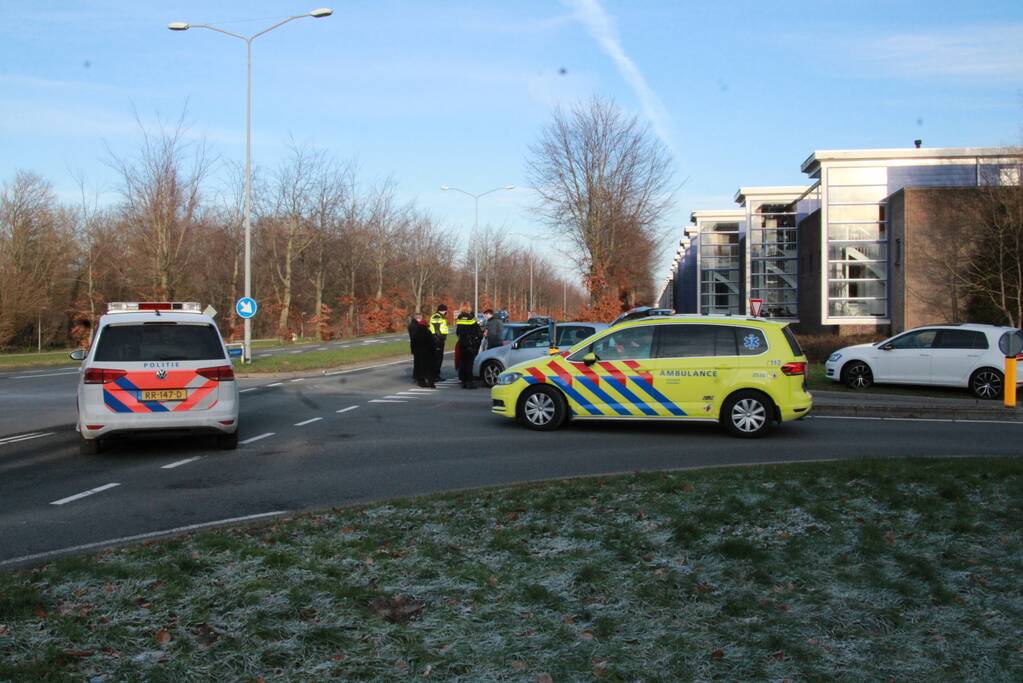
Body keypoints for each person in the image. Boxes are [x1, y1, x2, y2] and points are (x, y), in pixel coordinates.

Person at [455, 304, 483, 389]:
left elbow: (457, 332)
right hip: (470, 344)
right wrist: (478, 338)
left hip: (462, 343)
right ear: (468, 309)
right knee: (469, 364)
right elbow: (478, 331)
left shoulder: (459, 318)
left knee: (463, 363)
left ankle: (463, 382)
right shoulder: (471, 318)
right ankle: (469, 382)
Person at [410, 315, 436, 388]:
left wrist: (413, 351)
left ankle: (421, 382)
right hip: (427, 353)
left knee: (419, 367)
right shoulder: (428, 333)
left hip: (418, 353)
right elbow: (432, 343)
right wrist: (434, 351)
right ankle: (431, 382)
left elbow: (412, 343)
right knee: (428, 368)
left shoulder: (416, 333)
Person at [429, 304, 449, 381]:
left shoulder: (439, 316)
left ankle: (436, 375)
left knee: (438, 358)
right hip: (437, 341)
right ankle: (435, 376)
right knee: (437, 359)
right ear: (444, 310)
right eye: (446, 310)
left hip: (438, 340)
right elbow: (437, 329)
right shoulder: (437, 316)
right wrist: (439, 339)